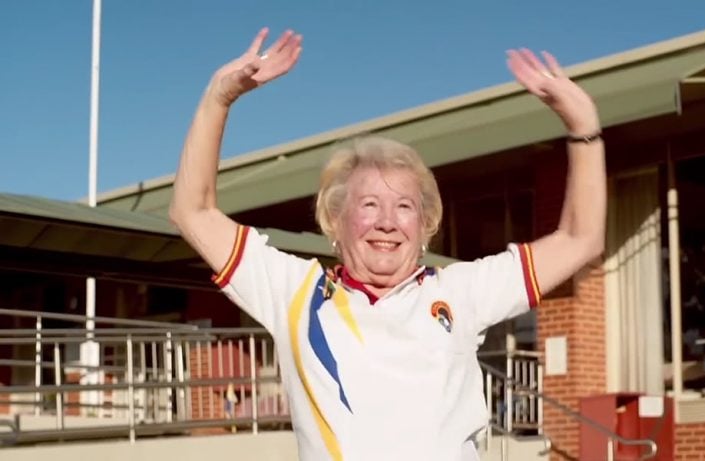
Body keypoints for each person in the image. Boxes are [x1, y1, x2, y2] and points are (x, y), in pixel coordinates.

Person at [170, 28, 605, 461]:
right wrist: (218, 98)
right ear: (335, 220)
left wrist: (584, 127)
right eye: (369, 204)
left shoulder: (460, 291)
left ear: (424, 224)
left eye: (403, 207)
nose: (386, 223)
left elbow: (579, 239)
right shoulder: (294, 293)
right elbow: (193, 212)